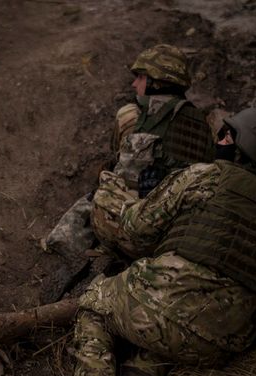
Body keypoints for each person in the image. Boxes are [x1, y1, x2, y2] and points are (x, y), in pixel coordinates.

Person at [51, 107, 256, 376]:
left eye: (227, 135)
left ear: (242, 148)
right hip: (225, 343)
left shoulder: (205, 176)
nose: (220, 138)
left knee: (95, 302)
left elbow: (137, 227)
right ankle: (141, 374)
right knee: (186, 316)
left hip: (161, 311)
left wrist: (116, 197)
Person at [42, 44, 213, 295]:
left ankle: (65, 249)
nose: (135, 85)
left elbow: (121, 172)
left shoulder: (136, 117)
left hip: (142, 231)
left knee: (99, 193)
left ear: (155, 81)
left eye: (140, 78)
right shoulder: (202, 126)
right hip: (182, 236)